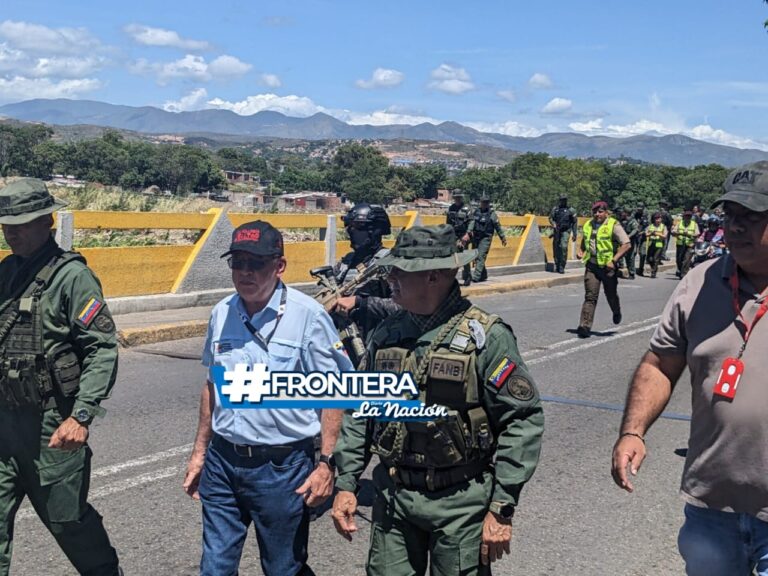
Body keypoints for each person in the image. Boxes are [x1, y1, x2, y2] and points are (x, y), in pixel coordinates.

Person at [331, 224, 544, 576]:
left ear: (433, 277)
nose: (391, 278)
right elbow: (359, 413)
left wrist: (502, 507)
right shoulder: (387, 334)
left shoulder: (485, 337)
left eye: (400, 271)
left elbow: (521, 420)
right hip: (394, 498)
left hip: (461, 503)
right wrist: (347, 483)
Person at [611, 161, 768, 575]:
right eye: (730, 215)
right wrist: (633, 431)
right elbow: (661, 363)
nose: (735, 228)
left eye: (751, 218)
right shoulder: (698, 283)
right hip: (712, 507)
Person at [183, 220, 353, 576]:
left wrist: (325, 462)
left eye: (256, 263)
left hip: (282, 468)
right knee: (214, 568)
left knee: (283, 568)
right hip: (223, 462)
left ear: (279, 266)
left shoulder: (308, 317)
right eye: (237, 262)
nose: (245, 272)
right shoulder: (222, 313)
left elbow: (334, 392)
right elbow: (213, 385)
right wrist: (199, 453)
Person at [0, 178, 121, 575]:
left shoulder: (72, 278)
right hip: (5, 425)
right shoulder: (7, 271)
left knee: (67, 522)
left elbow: (101, 348)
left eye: (22, 222)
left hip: (51, 428)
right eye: (7, 223)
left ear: (47, 221)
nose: (11, 231)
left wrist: (81, 415)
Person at [328, 203, 400, 346]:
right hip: (343, 341)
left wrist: (360, 302)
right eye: (349, 226)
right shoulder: (346, 263)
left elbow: (402, 307)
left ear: (375, 231)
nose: (351, 231)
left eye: (358, 226)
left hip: (377, 343)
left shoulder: (389, 263)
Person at [575, 201, 631, 338]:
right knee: (590, 297)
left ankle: (616, 311)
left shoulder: (613, 225)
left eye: (600, 212)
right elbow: (584, 242)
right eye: (595, 212)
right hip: (592, 266)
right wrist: (580, 251)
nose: (597, 214)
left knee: (610, 294)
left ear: (606, 212)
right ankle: (584, 326)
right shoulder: (588, 225)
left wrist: (614, 260)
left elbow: (626, 244)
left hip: (608, 267)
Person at [469, 194, 507, 283]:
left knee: (481, 256)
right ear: (480, 203)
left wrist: (503, 238)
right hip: (476, 237)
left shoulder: (492, 215)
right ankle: (483, 275)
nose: (484, 204)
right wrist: (469, 231)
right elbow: (471, 222)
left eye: (486, 202)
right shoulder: (476, 212)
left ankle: (476, 276)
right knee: (476, 256)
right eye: (483, 202)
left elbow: (498, 227)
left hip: (486, 237)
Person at [446, 190, 474, 285]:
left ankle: (467, 277)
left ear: (461, 197)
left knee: (464, 256)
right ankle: (451, 278)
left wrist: (467, 234)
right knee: (453, 256)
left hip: (464, 235)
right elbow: (448, 223)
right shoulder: (451, 208)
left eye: (459, 197)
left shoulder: (467, 208)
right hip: (454, 235)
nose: (457, 199)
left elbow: (471, 221)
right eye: (456, 197)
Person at [549, 195, 578, 274]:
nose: (563, 201)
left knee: (563, 247)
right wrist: (553, 224)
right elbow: (551, 218)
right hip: (557, 230)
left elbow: (574, 222)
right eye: (562, 200)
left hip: (566, 231)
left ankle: (562, 266)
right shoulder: (555, 209)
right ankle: (557, 264)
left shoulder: (571, 210)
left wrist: (575, 233)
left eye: (564, 200)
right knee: (556, 248)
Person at [671, 210, 700, 278]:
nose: (688, 217)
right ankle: (680, 270)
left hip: (689, 244)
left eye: (689, 216)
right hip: (680, 244)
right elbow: (673, 232)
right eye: (686, 216)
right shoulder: (680, 223)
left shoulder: (694, 224)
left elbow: (697, 234)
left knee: (686, 260)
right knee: (679, 259)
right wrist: (680, 233)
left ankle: (684, 274)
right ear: (684, 217)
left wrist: (689, 234)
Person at [618, 207, 640, 279]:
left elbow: (635, 229)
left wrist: (629, 235)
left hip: (630, 241)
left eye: (623, 212)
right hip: (621, 240)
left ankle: (632, 273)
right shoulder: (622, 220)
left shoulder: (632, 221)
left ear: (626, 213)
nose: (622, 213)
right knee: (619, 255)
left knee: (630, 257)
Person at [644, 212, 668, 278]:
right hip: (651, 244)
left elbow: (665, 236)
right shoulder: (651, 226)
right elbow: (646, 234)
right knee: (649, 259)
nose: (657, 220)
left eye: (658, 218)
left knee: (655, 259)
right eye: (656, 218)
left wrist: (658, 234)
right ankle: (653, 268)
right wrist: (651, 233)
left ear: (661, 219)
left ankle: (653, 272)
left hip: (659, 245)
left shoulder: (663, 226)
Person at [635, 206, 650, 276]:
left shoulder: (645, 217)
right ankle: (631, 268)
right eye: (638, 209)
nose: (639, 211)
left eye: (640, 209)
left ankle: (641, 269)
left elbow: (647, 227)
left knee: (643, 254)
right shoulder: (634, 216)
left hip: (642, 237)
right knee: (633, 253)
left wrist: (642, 232)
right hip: (635, 237)